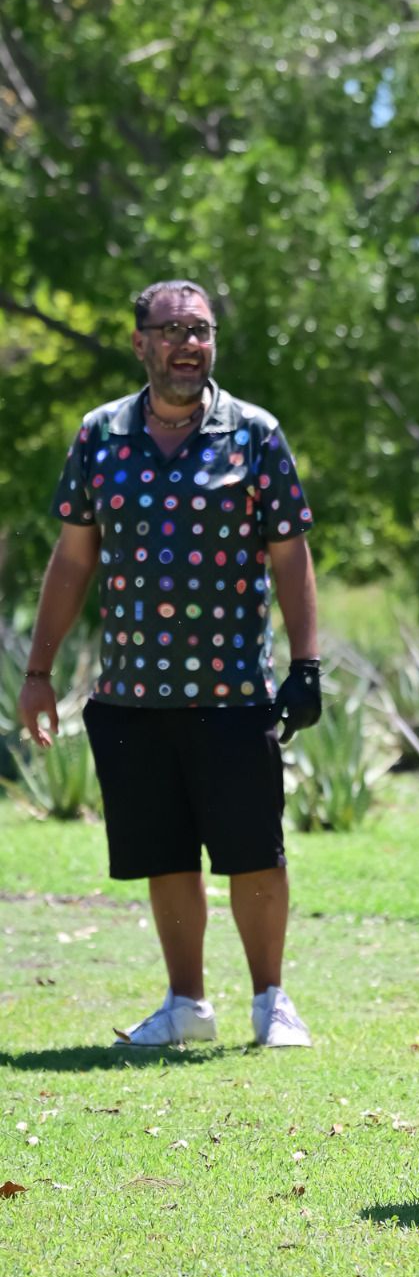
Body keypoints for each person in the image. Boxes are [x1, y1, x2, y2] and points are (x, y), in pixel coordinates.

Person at [18, 280, 322, 1048]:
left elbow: (291, 554)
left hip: (234, 692)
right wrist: (38, 673)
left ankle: (271, 1002)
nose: (190, 344)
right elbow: (73, 558)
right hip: (132, 696)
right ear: (140, 343)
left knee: (254, 852)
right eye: (173, 330)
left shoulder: (254, 434)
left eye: (201, 330)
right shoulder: (100, 436)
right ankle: (186, 1003)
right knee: (164, 853)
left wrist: (307, 663)